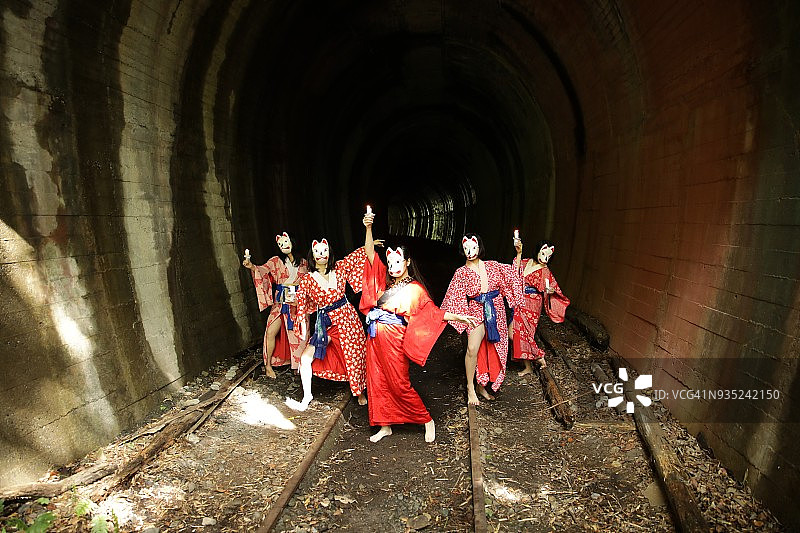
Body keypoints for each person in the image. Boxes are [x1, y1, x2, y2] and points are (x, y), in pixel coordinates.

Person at [360, 217, 480, 442]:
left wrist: (459, 317)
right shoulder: (386, 284)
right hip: (374, 339)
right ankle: (385, 425)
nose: (394, 267)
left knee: (399, 383)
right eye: (391, 263)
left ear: (407, 262)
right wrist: (368, 228)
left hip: (394, 340)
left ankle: (426, 419)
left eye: (398, 262)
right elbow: (369, 256)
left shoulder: (414, 289)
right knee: (376, 380)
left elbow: (431, 312)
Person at [285, 214, 374, 411]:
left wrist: (368, 229)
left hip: (347, 318)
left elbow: (366, 253)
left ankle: (360, 391)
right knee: (306, 358)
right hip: (325, 323)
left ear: (329, 252)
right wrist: (299, 319)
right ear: (313, 255)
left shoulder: (340, 268)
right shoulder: (307, 280)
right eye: (317, 251)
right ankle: (306, 396)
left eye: (324, 250)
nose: (321, 254)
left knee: (355, 354)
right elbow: (301, 303)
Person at [441, 234, 522, 406]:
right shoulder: (461, 273)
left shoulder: (492, 266)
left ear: (480, 248)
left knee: (492, 348)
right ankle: (470, 387)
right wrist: (461, 317)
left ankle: (482, 385)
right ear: (463, 251)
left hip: (496, 309)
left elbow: (513, 276)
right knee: (472, 349)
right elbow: (453, 297)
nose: (470, 251)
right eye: (466, 248)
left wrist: (519, 254)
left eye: (473, 247)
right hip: (476, 310)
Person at [243, 232, 309, 378]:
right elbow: (262, 270)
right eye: (280, 244)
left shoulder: (304, 263)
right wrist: (251, 266)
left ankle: (298, 365)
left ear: (292, 241)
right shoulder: (275, 261)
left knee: (299, 335)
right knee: (271, 331)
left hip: (298, 303)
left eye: (285, 242)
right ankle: (268, 366)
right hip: (280, 302)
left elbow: (311, 281)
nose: (283, 246)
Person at [510, 237, 571, 375]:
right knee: (514, 333)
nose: (545, 258)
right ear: (537, 251)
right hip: (520, 301)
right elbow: (514, 272)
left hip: (532, 304)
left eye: (549, 256)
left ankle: (535, 357)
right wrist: (519, 253)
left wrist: (551, 291)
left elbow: (554, 288)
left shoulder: (545, 271)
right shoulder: (526, 262)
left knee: (523, 333)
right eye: (543, 254)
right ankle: (533, 361)